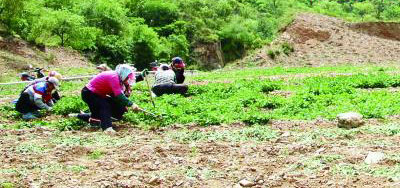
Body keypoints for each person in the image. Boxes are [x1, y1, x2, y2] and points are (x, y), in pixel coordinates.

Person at [73, 64, 141, 133]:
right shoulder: (114, 77)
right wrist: (131, 104)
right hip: (89, 93)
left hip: (98, 95)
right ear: (123, 74)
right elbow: (119, 95)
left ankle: (80, 116)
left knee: (119, 109)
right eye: (127, 77)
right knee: (105, 105)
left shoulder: (118, 79)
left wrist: (123, 105)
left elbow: (115, 95)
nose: (127, 79)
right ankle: (107, 128)